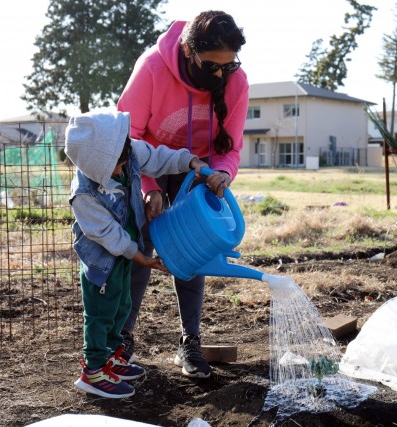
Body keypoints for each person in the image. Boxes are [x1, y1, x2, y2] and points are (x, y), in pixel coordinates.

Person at [117, 10, 248, 379]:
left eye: (229, 66)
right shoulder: (153, 69)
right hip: (149, 162)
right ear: (189, 52)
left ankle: (190, 341)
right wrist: (150, 187)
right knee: (141, 245)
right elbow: (127, 138)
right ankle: (122, 340)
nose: (220, 76)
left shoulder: (236, 83)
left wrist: (222, 173)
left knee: (195, 246)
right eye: (211, 67)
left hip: (198, 169)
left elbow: (231, 147)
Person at [65, 109, 208, 398]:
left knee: (122, 305)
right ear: (95, 167)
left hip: (124, 252)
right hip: (102, 261)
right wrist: (139, 255)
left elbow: (158, 157)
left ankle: (112, 358)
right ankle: (93, 370)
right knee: (100, 313)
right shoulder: (84, 194)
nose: (120, 171)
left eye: (120, 164)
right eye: (113, 170)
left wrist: (187, 160)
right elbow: (106, 234)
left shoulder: (129, 153)